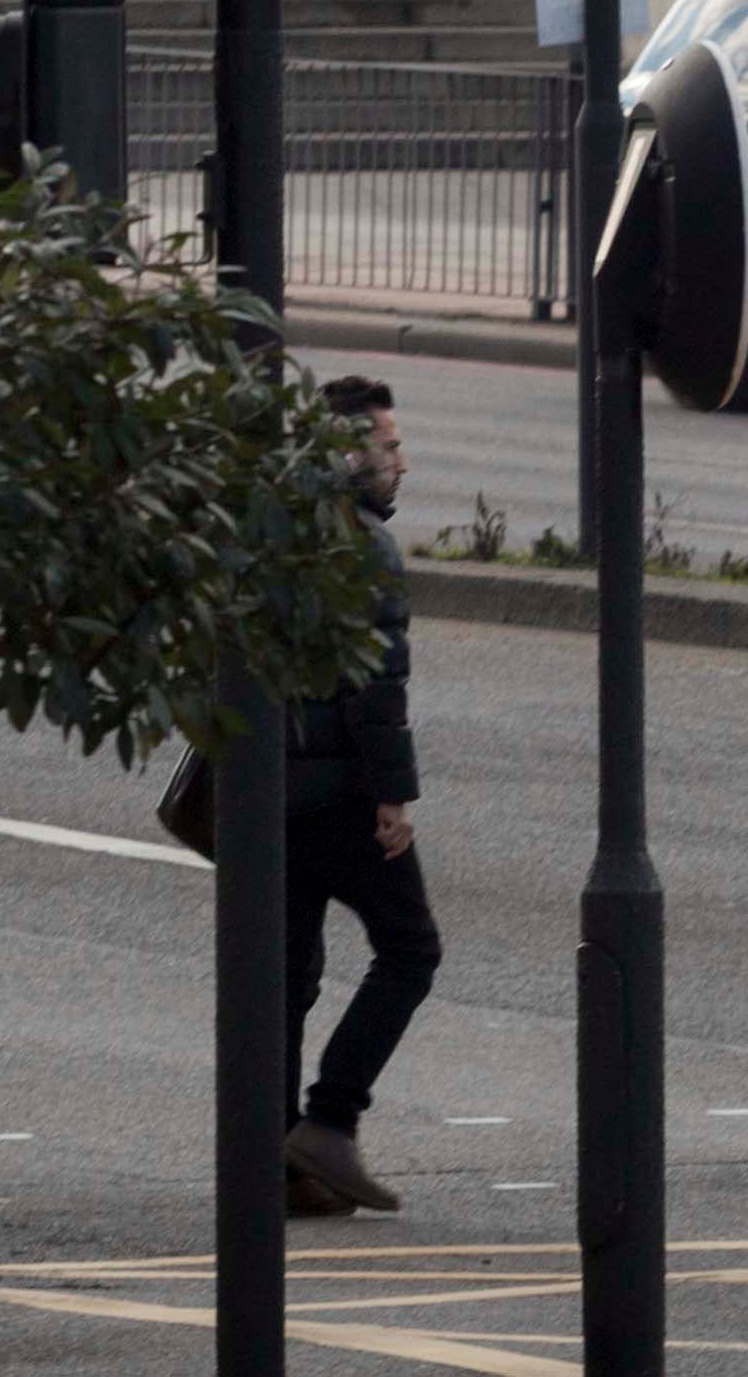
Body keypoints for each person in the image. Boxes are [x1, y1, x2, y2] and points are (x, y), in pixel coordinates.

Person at [280, 376, 440, 1218]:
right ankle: (330, 1121)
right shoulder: (364, 545)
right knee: (410, 948)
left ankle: (274, 1151)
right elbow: (377, 684)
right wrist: (392, 797)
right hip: (338, 783)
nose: (399, 461)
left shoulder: (275, 524)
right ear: (346, 452)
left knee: (285, 973)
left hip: (268, 788)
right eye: (387, 445)